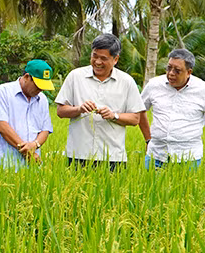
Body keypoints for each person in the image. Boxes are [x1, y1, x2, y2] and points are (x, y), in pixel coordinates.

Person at [55, 34, 144, 171]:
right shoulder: (75, 76)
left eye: (103, 58)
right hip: (78, 154)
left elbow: (135, 119)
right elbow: (60, 111)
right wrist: (79, 109)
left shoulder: (126, 82)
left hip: (112, 157)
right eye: (94, 56)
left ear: (115, 59)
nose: (97, 62)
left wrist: (114, 115)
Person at [140, 48, 205, 170]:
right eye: (169, 68)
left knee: (187, 189)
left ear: (189, 72)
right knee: (150, 188)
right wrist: (148, 139)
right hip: (156, 155)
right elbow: (140, 110)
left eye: (177, 70)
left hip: (189, 159)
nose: (171, 73)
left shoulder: (203, 90)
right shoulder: (154, 85)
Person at [0, 60, 54, 170]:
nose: (40, 89)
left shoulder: (42, 99)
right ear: (27, 77)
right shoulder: (2, 92)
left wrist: (35, 144)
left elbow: (45, 129)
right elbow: (2, 126)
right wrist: (27, 151)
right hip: (6, 166)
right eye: (38, 85)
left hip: (33, 167)